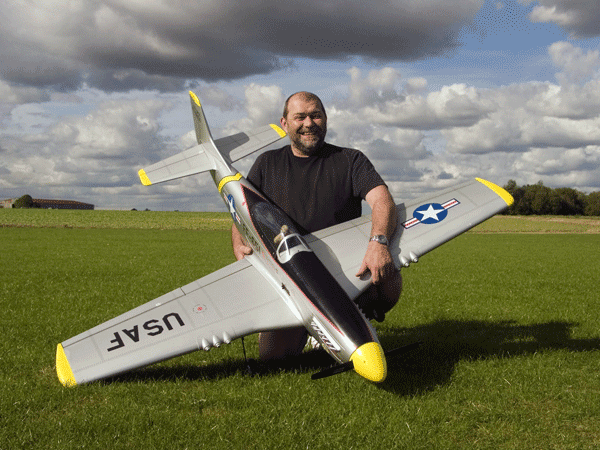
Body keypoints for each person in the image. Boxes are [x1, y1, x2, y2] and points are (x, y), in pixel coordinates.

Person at [231, 91, 402, 360]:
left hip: (346, 271)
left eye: (316, 115)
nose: (309, 123)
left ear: (326, 119)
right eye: (300, 117)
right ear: (285, 123)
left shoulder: (350, 159)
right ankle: (301, 331)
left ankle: (355, 317)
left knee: (390, 281)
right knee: (273, 359)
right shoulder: (267, 163)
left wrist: (378, 242)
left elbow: (382, 199)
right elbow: (243, 209)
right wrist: (238, 242)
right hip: (295, 273)